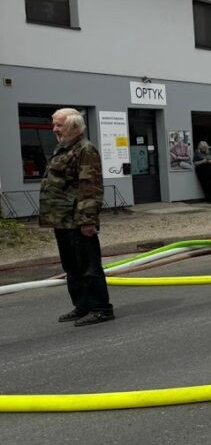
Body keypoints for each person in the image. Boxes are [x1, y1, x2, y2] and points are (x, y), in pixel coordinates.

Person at [39, 108, 115, 326]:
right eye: (54, 124)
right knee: (71, 266)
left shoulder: (85, 150)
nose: (54, 129)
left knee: (88, 266)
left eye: (58, 125)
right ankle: (82, 305)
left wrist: (88, 220)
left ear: (73, 126)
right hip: (61, 219)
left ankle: (101, 308)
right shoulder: (63, 148)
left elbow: (89, 187)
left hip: (78, 220)